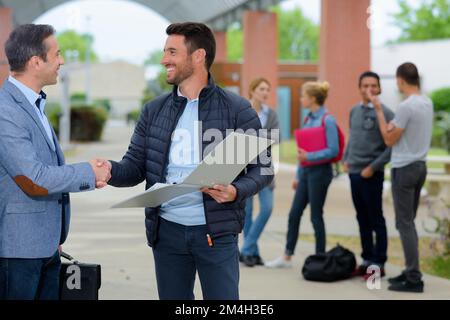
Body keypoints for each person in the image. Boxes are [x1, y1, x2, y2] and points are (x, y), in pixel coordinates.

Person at [96, 22, 272, 300]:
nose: (164, 59)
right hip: (167, 234)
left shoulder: (237, 109)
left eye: (172, 52)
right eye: (165, 51)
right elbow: (135, 166)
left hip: (217, 233)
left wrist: (236, 191)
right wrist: (109, 170)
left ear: (198, 56)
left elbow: (263, 169)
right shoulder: (154, 111)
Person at [0, 24, 110, 300]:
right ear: (36, 62)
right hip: (17, 252)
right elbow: (33, 179)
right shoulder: (6, 110)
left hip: (45, 247)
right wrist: (88, 172)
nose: (62, 61)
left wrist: (51, 241)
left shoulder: (33, 104)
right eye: (57, 54)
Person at [368, 62, 433, 293]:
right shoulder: (427, 102)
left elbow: (388, 139)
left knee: (404, 223)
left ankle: (414, 277)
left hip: (404, 168)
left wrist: (377, 109)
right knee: (409, 222)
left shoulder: (407, 106)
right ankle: (409, 270)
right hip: (420, 166)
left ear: (401, 80)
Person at [266, 81, 339, 268]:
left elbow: (333, 150)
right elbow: (302, 150)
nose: (301, 99)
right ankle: (287, 256)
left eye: (303, 96)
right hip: (306, 172)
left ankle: (320, 258)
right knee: (294, 214)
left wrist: (310, 156)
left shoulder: (327, 120)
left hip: (321, 173)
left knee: (316, 216)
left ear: (313, 98)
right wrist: (298, 176)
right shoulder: (308, 119)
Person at [343, 71, 394, 279]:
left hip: (372, 174)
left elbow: (391, 148)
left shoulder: (388, 113)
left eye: (373, 86)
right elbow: (352, 136)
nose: (369, 90)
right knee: (361, 218)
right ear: (359, 88)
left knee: (376, 219)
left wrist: (373, 167)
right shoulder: (354, 110)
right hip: (354, 172)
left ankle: (378, 263)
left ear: (379, 88)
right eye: (365, 86)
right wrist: (346, 158)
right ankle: (366, 260)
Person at [240, 78, 280, 267]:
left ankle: (247, 248)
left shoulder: (271, 114)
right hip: (244, 169)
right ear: (252, 90)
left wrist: (254, 139)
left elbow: (276, 138)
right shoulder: (242, 111)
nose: (265, 92)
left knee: (267, 208)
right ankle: (252, 254)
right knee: (246, 213)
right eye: (262, 89)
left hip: (264, 168)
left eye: (267, 89)